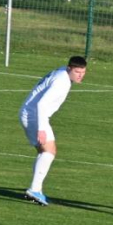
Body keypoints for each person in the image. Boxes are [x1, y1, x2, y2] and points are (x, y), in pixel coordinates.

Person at [20, 56, 87, 206]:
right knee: (49, 151)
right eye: (77, 72)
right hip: (34, 116)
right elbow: (42, 104)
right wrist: (42, 129)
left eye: (83, 72)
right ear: (69, 68)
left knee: (45, 152)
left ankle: (36, 189)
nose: (80, 75)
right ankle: (34, 190)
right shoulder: (61, 82)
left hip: (31, 113)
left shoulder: (63, 72)